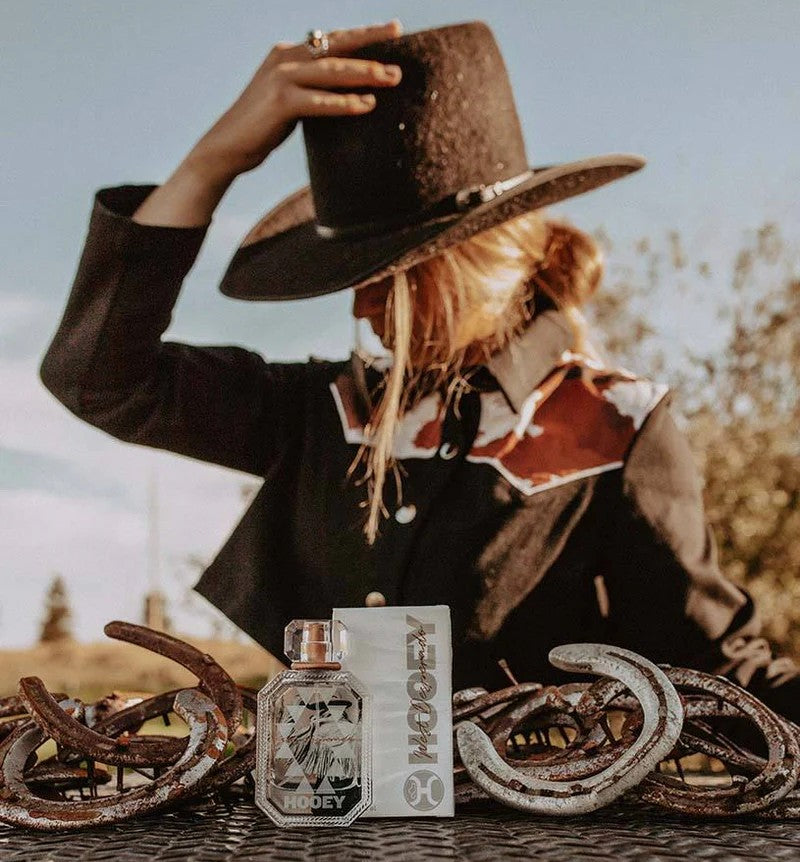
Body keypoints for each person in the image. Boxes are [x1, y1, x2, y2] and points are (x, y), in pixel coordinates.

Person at [39, 19, 799, 721]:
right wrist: (213, 163)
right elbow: (100, 378)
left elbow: (715, 675)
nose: (362, 306)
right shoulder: (315, 411)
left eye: (390, 275)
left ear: (475, 264)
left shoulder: (613, 427)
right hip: (319, 829)